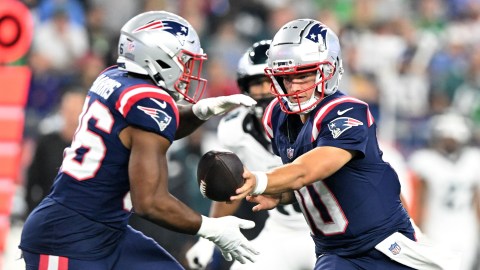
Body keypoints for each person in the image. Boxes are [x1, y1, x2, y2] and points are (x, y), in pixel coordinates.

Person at [19, 11, 260, 270]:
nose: (187, 69)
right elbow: (150, 202)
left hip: (108, 231)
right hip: (67, 237)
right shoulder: (148, 104)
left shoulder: (112, 77)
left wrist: (200, 111)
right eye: (183, 59)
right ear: (156, 56)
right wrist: (211, 228)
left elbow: (155, 126)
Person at [230, 19, 461, 270]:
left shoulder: (347, 111)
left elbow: (309, 170)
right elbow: (317, 187)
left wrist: (262, 180)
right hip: (336, 254)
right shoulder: (277, 116)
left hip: (386, 248)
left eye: (304, 76)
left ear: (328, 70)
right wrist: (283, 195)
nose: (294, 86)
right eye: (287, 78)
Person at [185, 40, 315, 270]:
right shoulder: (233, 129)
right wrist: (207, 238)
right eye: (257, 83)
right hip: (280, 231)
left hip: (325, 230)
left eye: (271, 81)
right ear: (245, 88)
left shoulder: (314, 121)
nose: (266, 90)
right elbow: (232, 189)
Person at [408, 112, 480, 270]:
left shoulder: (425, 160)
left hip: (459, 228)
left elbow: (477, 202)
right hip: (443, 227)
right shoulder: (426, 161)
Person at [24, 89, 86, 218]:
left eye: (76, 111)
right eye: (69, 110)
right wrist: (33, 212)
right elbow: (32, 180)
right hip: (50, 214)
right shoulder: (46, 143)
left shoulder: (92, 146)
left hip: (82, 215)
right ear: (61, 111)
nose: (72, 116)